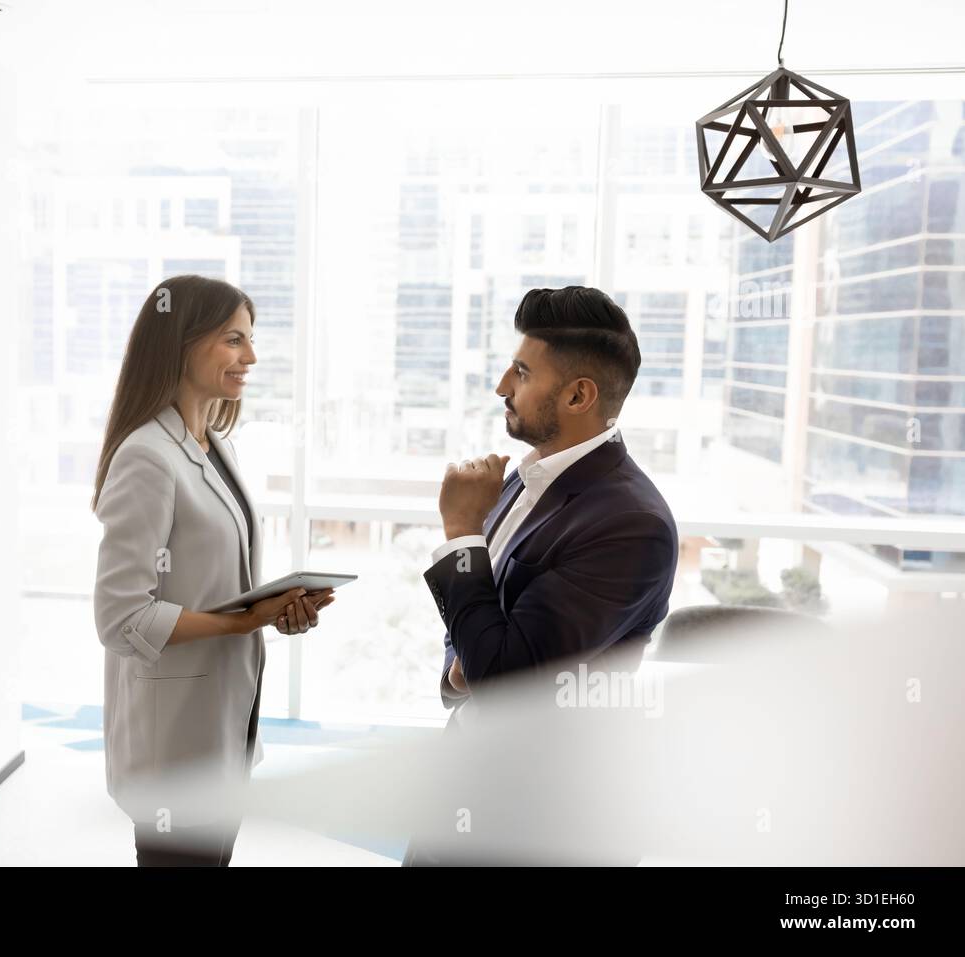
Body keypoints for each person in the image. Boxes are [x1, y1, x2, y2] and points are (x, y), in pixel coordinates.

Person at [403, 285, 678, 866]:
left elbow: (506, 680)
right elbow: (476, 627)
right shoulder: (517, 483)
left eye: (522, 372)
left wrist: (459, 533)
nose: (502, 385)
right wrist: (463, 671)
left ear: (579, 394)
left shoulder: (631, 524)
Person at [91, 275, 335, 867]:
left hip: (223, 722)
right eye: (233, 340)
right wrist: (241, 623)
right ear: (181, 341)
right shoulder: (146, 456)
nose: (249, 357)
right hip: (172, 747)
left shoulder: (212, 444)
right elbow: (121, 617)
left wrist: (272, 611)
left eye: (249, 340)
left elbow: (213, 580)